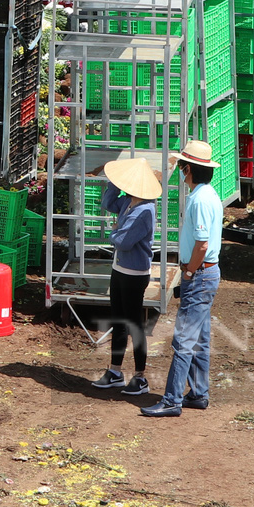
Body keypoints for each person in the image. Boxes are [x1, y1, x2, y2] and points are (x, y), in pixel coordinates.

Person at [141, 140, 224, 418]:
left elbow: (201, 244)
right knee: (199, 339)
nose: (179, 170)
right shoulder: (208, 194)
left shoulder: (199, 199)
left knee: (183, 340)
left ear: (188, 169)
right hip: (205, 273)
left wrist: (188, 272)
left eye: (180, 166)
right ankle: (198, 394)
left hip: (199, 274)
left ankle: (172, 399)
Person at [89, 155, 161, 398]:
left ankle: (140, 376)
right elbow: (107, 203)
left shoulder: (144, 210)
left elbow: (123, 241)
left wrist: (114, 233)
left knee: (134, 325)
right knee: (119, 321)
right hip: (120, 270)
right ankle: (115, 371)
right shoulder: (129, 201)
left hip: (134, 274)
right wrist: (114, 184)